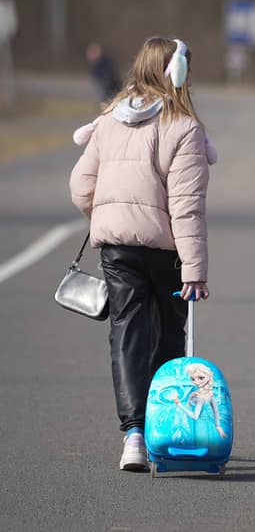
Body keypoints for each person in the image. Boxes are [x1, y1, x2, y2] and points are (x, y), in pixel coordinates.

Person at [69, 37, 215, 471]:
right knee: (170, 336)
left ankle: (132, 434)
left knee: (127, 333)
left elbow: (81, 186)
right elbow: (185, 205)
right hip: (165, 248)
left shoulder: (109, 120)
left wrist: (108, 213)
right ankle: (163, 428)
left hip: (117, 247)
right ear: (179, 73)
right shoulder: (183, 127)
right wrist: (195, 270)